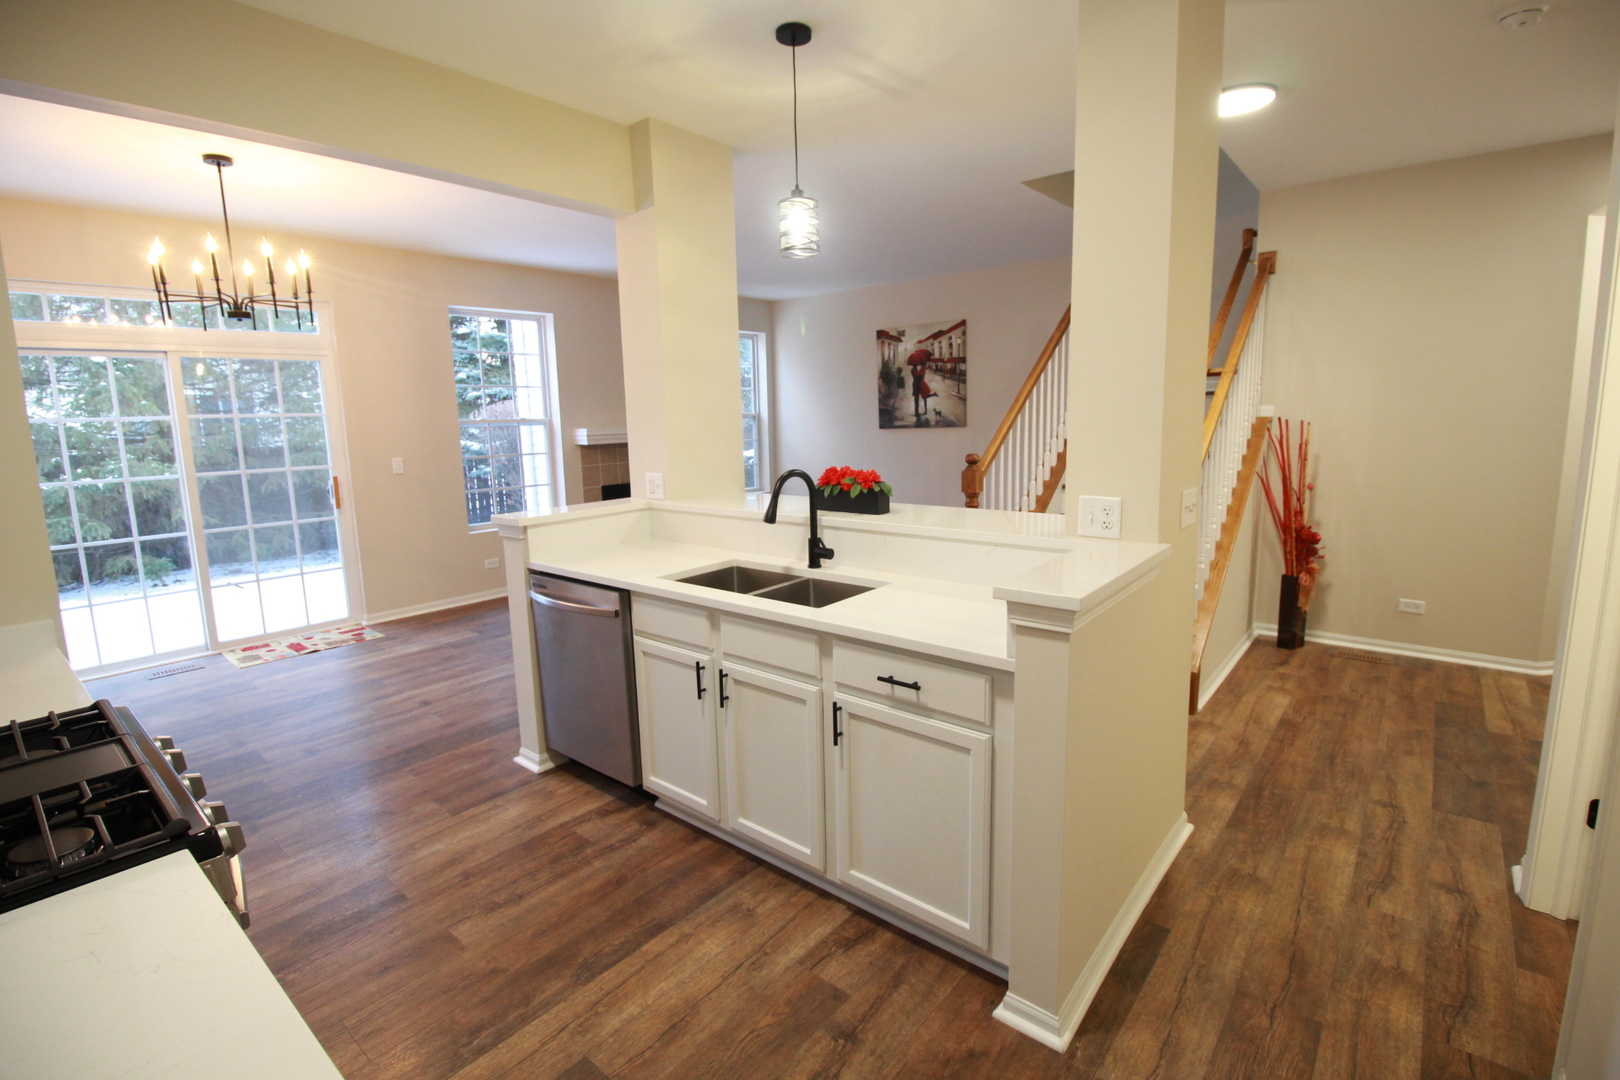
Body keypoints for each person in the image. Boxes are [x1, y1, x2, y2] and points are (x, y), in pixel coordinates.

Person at [906, 347, 933, 424]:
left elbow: (920, 376)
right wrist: (921, 374)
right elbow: (916, 377)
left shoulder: (917, 370)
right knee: (916, 399)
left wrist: (922, 372)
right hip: (916, 385)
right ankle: (916, 412)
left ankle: (921, 411)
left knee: (922, 396)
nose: (917, 364)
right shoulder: (913, 370)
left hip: (919, 384)